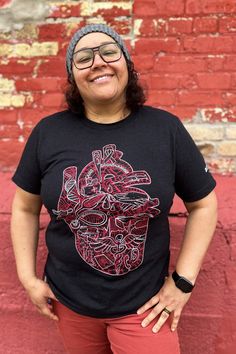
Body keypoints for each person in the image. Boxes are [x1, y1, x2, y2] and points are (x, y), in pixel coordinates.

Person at [11, 23, 217, 354]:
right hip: (70, 303)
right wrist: (27, 278)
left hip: (144, 307)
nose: (98, 62)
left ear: (126, 63)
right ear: (73, 76)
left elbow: (204, 205)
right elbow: (24, 208)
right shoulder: (49, 133)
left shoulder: (164, 129)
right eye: (83, 58)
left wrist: (183, 282)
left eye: (109, 52)